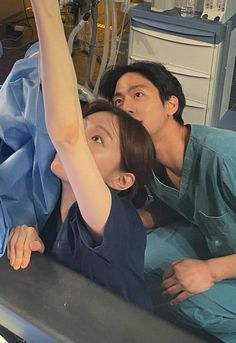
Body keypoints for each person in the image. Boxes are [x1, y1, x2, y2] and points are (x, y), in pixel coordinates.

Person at [7, 1, 156, 312]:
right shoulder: (48, 210)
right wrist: (27, 235)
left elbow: (68, 136)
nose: (79, 141)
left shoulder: (120, 225)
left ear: (122, 179)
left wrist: (45, 10)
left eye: (97, 139)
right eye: (84, 128)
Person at [99, 61, 236, 343]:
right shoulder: (147, 162)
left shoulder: (224, 157)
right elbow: (178, 201)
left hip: (225, 259)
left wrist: (211, 271)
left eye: (138, 95)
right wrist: (136, 221)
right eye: (118, 100)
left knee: (192, 300)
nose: (126, 107)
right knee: (133, 252)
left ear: (170, 105)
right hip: (215, 242)